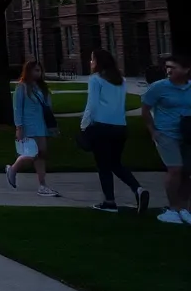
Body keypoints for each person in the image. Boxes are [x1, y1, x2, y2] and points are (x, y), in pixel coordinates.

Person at [80, 49, 148, 213]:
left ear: (98, 62)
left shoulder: (95, 80)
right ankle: (137, 189)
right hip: (120, 127)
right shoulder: (121, 80)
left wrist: (84, 125)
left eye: (92, 60)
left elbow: (92, 104)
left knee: (103, 166)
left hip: (101, 127)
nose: (90, 63)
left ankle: (109, 201)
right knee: (115, 163)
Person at [140, 53, 191, 224]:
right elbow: (145, 110)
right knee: (175, 170)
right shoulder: (158, 87)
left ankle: (185, 208)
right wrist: (153, 131)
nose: (168, 70)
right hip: (166, 134)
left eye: (173, 67)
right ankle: (173, 207)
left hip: (187, 135)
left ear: (186, 70)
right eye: (167, 67)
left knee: (186, 173)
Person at [6, 59, 60, 197]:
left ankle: (42, 185)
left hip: (41, 125)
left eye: (40, 70)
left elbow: (48, 108)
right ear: (28, 71)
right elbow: (17, 109)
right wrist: (19, 127)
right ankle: (13, 168)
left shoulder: (42, 88)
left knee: (42, 154)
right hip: (29, 125)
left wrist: (52, 125)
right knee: (33, 154)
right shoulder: (22, 87)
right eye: (35, 70)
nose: (38, 73)